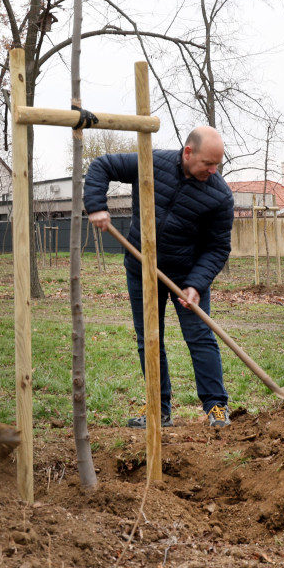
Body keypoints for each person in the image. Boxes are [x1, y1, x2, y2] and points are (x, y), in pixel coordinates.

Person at [84, 125, 234, 429]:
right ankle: (158, 409)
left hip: (186, 278)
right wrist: (97, 205)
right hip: (142, 271)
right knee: (149, 340)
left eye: (217, 164)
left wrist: (196, 284)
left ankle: (216, 407)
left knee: (200, 338)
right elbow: (102, 165)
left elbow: (217, 247)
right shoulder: (151, 162)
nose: (213, 170)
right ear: (188, 152)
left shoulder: (220, 196)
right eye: (208, 163)